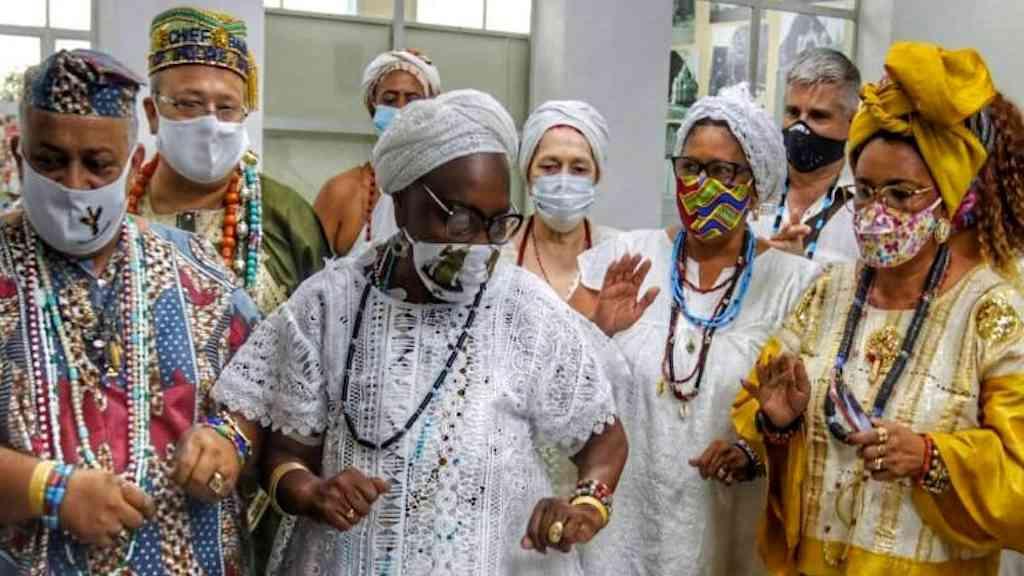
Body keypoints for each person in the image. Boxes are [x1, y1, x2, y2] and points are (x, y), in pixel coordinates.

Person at [214, 89, 628, 575]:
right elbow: (285, 454)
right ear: (402, 202)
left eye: (497, 224)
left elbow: (604, 442)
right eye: (460, 220)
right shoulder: (329, 304)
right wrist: (312, 492)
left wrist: (586, 505)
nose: (480, 245)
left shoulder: (525, 310)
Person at [728, 42, 1024, 575]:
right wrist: (777, 424)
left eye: (901, 194)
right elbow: (757, 408)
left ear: (948, 201)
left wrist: (932, 458)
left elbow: (1018, 478)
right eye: (865, 192)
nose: (876, 213)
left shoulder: (991, 312)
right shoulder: (829, 292)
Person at [0, 49, 261, 575]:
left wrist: (229, 441)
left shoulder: (199, 270)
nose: (74, 185)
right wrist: (47, 490)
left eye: (98, 165)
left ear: (135, 163)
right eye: (50, 161)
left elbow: (261, 396)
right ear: (17, 155)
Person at [571, 85, 820, 575]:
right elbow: (558, 392)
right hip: (622, 536)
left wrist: (753, 451)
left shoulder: (794, 285)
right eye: (690, 167)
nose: (702, 184)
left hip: (728, 531)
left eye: (723, 171)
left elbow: (807, 422)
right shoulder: (626, 259)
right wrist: (598, 331)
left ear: (756, 185)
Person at [129, 6, 329, 315]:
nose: (210, 123)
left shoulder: (287, 216)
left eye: (226, 108)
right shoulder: (118, 217)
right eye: (190, 104)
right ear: (152, 113)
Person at [314, 49, 442, 256]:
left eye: (413, 100)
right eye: (390, 100)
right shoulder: (341, 192)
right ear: (373, 106)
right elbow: (307, 271)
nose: (401, 110)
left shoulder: (445, 193)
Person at [751, 47, 861, 264]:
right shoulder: (754, 188)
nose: (801, 126)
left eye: (818, 116)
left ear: (852, 123)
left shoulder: (863, 205)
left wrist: (800, 270)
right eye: (793, 113)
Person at [503, 100, 618, 301]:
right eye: (549, 167)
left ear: (596, 176)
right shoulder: (499, 255)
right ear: (527, 175)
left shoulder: (618, 253)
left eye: (579, 169)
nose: (564, 182)